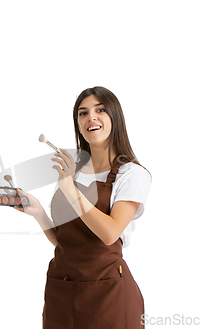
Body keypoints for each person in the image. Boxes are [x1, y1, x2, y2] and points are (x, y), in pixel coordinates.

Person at [13, 86, 151, 329]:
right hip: (61, 291)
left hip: (107, 294)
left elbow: (109, 234)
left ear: (115, 118)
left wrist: (69, 189)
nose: (91, 118)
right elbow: (65, 242)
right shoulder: (73, 173)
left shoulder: (132, 174)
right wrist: (37, 211)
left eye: (100, 110)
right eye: (82, 113)